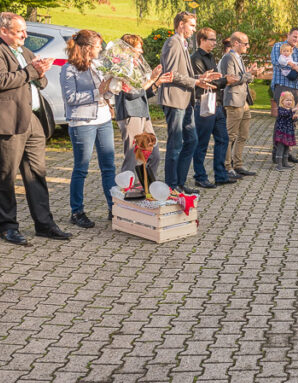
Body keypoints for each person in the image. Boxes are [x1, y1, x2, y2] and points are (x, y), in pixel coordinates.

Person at [0, 12, 69, 245]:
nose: (25, 35)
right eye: (20, 31)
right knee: (5, 176)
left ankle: (44, 224)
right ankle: (8, 226)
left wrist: (42, 72)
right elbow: (1, 81)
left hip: (33, 120)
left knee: (36, 175)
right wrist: (32, 71)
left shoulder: (25, 52)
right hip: (8, 121)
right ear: (4, 31)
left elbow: (42, 82)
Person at [61, 30, 119, 228]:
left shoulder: (97, 65)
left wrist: (113, 89)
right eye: (97, 46)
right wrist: (98, 92)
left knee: (109, 167)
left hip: (103, 120)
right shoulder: (69, 69)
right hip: (82, 123)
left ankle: (114, 208)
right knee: (81, 168)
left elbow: (105, 92)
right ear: (86, 48)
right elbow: (71, 98)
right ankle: (76, 211)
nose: (101, 49)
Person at [159, 12, 219, 194]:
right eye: (191, 26)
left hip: (185, 100)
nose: (194, 30)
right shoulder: (172, 43)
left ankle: (180, 182)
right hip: (174, 99)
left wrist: (200, 77)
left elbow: (182, 74)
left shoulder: (182, 44)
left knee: (191, 140)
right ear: (180, 24)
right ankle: (171, 185)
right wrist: (195, 82)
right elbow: (170, 74)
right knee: (175, 143)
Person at [114, 34, 169, 191]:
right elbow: (131, 93)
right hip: (130, 114)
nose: (142, 51)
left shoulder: (136, 66)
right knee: (132, 156)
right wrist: (151, 80)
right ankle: (125, 191)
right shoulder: (121, 67)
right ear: (128, 49)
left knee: (155, 153)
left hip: (143, 114)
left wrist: (156, 82)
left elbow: (143, 93)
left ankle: (148, 186)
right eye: (138, 48)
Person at [191, 28, 237, 188]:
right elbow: (206, 82)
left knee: (223, 139)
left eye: (215, 39)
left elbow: (216, 78)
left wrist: (223, 80)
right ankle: (200, 176)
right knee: (202, 143)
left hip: (217, 104)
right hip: (204, 103)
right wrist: (225, 81)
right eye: (211, 39)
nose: (214, 43)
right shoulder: (196, 59)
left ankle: (220, 174)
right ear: (202, 40)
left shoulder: (211, 57)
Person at [219, 32, 258, 177]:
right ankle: (227, 166)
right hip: (234, 101)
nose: (247, 46)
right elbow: (232, 80)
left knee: (243, 135)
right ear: (236, 43)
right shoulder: (228, 58)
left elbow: (242, 78)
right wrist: (248, 75)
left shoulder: (239, 57)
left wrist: (251, 74)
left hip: (244, 101)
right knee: (231, 135)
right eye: (245, 43)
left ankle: (238, 164)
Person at [270, 28, 298, 163]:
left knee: (293, 120)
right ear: (288, 35)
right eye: (295, 37)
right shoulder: (278, 46)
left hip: (295, 87)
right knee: (282, 120)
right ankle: (277, 153)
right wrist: (295, 67)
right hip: (282, 86)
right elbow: (277, 62)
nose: (296, 40)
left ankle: (287, 152)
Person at [272, 91, 297, 171]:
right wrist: (292, 111)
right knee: (281, 148)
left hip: (289, 131)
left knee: (287, 147)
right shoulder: (281, 109)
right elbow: (284, 114)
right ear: (282, 101)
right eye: (287, 100)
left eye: (290, 100)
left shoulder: (290, 110)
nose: (289, 102)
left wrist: (294, 117)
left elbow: (291, 119)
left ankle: (285, 162)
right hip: (281, 132)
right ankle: (279, 164)